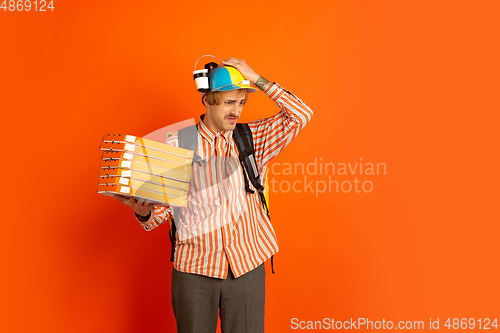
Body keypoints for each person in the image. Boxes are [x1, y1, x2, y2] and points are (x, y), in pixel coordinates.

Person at [115, 58, 313, 333]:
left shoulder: (253, 138)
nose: (236, 111)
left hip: (246, 264)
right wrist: (142, 210)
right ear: (208, 101)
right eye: (228, 102)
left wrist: (255, 78)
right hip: (195, 270)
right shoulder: (176, 144)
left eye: (241, 103)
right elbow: (158, 216)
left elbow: (301, 114)